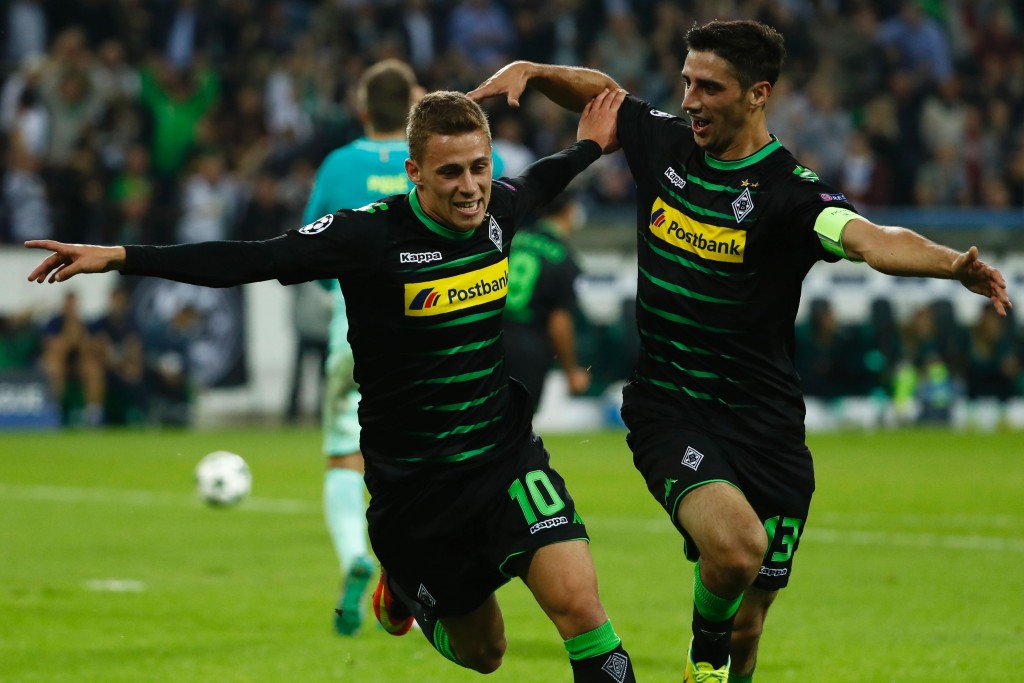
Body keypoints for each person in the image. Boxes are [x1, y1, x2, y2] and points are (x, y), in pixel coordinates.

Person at [25, 89, 639, 683]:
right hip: (417, 491)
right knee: (486, 653)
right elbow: (252, 260)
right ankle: (402, 588)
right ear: (415, 174)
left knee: (584, 614)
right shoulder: (367, 237)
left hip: (505, 460)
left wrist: (588, 147)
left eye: (479, 167)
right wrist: (123, 256)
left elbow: (538, 180)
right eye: (450, 172)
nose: (471, 186)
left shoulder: (498, 209)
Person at [470, 19, 1012, 682]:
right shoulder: (666, 144)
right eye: (687, 83)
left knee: (751, 625)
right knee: (735, 549)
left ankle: (722, 653)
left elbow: (869, 238)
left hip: (768, 427)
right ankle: (704, 651)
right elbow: (603, 97)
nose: (691, 99)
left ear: (758, 94)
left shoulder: (788, 191)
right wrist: (533, 69)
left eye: (710, 87)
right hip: (670, 408)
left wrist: (950, 262)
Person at [301, 58, 421, 636]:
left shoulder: (338, 165)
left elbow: (311, 251)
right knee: (434, 460)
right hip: (434, 332)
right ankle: (425, 586)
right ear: (415, 104)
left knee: (344, 454)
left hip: (353, 331)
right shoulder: (435, 159)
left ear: (361, 107)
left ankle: (354, 551)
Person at [504, 190, 590, 415]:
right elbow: (559, 321)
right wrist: (571, 370)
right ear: (569, 210)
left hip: (489, 338)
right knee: (517, 428)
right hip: (528, 348)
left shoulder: (512, 239)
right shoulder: (564, 258)